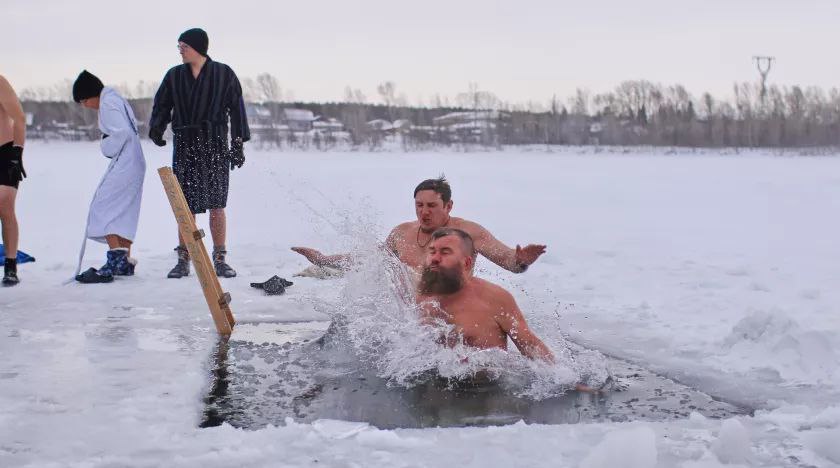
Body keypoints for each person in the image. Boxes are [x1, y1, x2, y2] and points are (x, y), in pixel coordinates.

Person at [149, 28, 249, 279]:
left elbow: (237, 109)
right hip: (185, 146)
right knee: (185, 205)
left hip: (215, 145)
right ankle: (184, 258)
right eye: (179, 47)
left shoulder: (224, 74)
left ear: (197, 47)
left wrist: (237, 143)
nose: (180, 51)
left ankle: (220, 258)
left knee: (217, 204)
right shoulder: (174, 76)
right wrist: (156, 128)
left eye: (184, 46)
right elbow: (162, 104)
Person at [292, 177, 546, 276]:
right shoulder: (402, 233)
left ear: (448, 206)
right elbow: (371, 260)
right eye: (419, 205)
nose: (424, 212)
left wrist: (521, 260)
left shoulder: (468, 232)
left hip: (452, 314)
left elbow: (508, 262)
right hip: (413, 321)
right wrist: (323, 260)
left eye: (432, 206)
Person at [416, 228, 554, 361]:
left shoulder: (494, 298)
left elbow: (531, 346)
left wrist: (561, 374)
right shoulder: (422, 298)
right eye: (432, 251)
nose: (435, 258)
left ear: (467, 263)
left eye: (445, 252)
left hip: (490, 377)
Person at [71, 71, 146, 283]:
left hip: (125, 163)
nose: (85, 106)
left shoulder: (108, 104)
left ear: (90, 95)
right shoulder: (115, 100)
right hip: (133, 161)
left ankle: (116, 260)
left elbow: (121, 133)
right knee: (123, 211)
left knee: (104, 207)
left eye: (84, 101)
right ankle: (124, 261)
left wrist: (105, 144)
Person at [0, 74, 27, 286]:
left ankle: (11, 264)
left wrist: (17, 153)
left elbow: (19, 118)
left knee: (4, 203)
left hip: (6, 151)